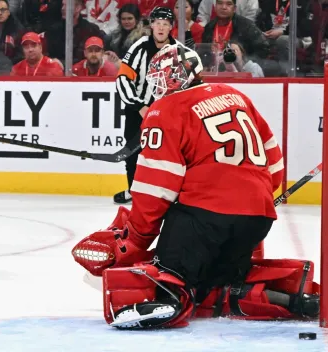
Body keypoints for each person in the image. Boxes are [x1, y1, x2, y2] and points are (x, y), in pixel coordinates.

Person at [72, 44, 319, 329]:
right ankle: (296, 299)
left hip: (205, 217)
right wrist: (251, 200)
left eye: (160, 79)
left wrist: (136, 241)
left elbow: (155, 190)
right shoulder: (235, 95)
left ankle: (168, 296)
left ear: (178, 75)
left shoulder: (165, 109)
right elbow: (274, 165)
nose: (158, 88)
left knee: (171, 273)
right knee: (218, 284)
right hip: (258, 220)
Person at [114, 6, 181, 204]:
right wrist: (139, 106)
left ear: (171, 28)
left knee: (168, 153)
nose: (161, 28)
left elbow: (183, 86)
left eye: (165, 24)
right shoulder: (140, 46)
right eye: (158, 23)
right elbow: (123, 79)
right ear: (151, 25)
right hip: (138, 111)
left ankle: (169, 191)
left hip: (165, 113)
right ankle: (134, 190)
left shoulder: (178, 52)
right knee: (133, 153)